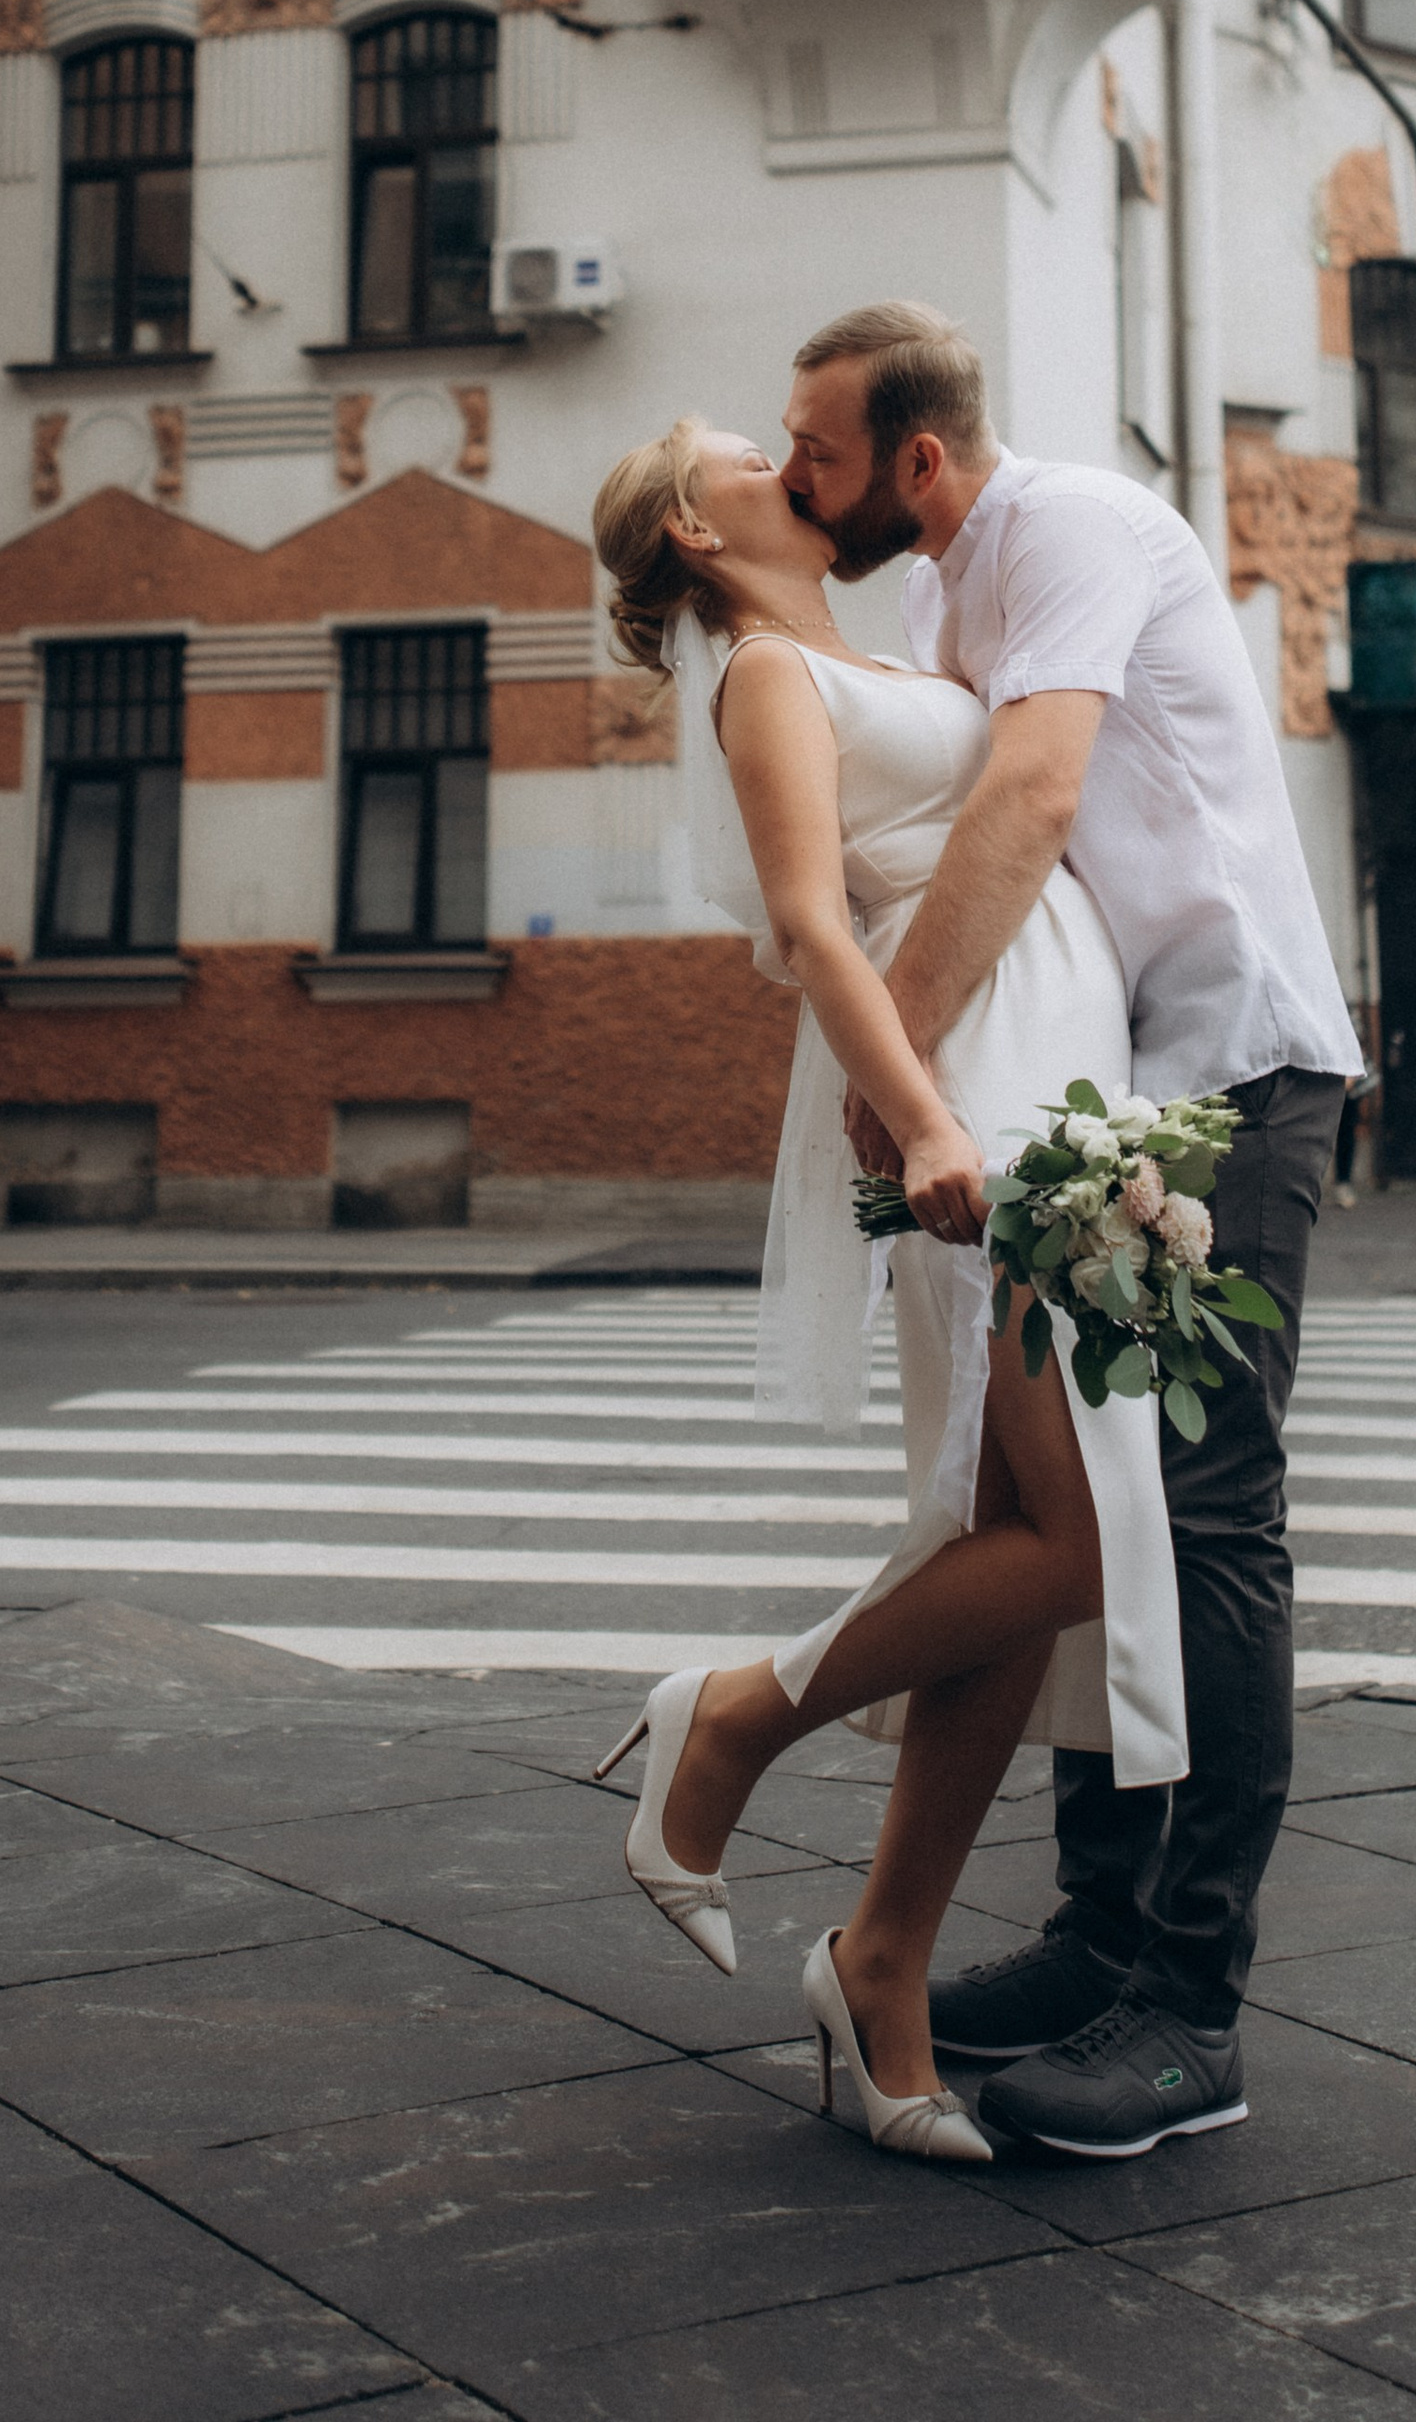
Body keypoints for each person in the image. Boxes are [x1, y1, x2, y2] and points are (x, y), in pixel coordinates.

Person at [778, 302, 1359, 2162]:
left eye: (824, 452)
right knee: (1097, 1514)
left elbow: (1029, 797)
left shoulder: (1078, 530)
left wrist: (905, 1077)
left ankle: (1191, 2005)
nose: (804, 477)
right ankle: (1098, 1935)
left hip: (1237, 1068)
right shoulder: (948, 599)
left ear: (920, 460)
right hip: (1110, 1098)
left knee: (1206, 1514)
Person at [589, 415, 1187, 2169]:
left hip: (1058, 1064)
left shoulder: (878, 640)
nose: (783, 446)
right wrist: (923, 1111)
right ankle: (737, 1715)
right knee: (1065, 1539)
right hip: (974, 1087)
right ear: (697, 526)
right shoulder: (768, 670)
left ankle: (884, 1974)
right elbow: (812, 923)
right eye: (739, 445)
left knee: (1009, 1547)